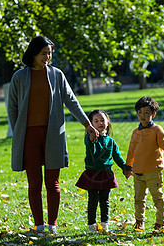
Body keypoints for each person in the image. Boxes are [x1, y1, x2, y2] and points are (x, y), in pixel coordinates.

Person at [8, 36, 99, 235]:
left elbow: (71, 101)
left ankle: (52, 225)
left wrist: (87, 125)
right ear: (33, 53)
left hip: (53, 135)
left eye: (50, 53)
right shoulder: (19, 77)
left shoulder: (57, 75)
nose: (48, 57)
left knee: (53, 183)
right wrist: (18, 133)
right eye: (44, 53)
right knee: (34, 183)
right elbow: (12, 108)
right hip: (29, 137)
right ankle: (39, 225)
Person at [75, 110, 131, 232]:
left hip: (106, 174)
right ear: (91, 124)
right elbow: (92, 153)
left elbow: (117, 157)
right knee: (93, 200)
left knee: (105, 201)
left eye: (102, 120)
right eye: (96, 121)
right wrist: (92, 139)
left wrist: (125, 167)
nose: (100, 123)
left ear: (107, 122)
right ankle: (91, 224)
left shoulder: (111, 141)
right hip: (92, 174)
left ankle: (105, 223)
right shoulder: (89, 139)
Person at [125, 96, 164, 231]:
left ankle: (160, 222)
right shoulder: (136, 132)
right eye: (140, 112)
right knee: (138, 199)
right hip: (138, 172)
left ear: (153, 114)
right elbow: (131, 151)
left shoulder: (157, 130)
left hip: (153, 170)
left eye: (147, 113)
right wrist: (128, 166)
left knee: (157, 197)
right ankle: (139, 221)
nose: (143, 116)